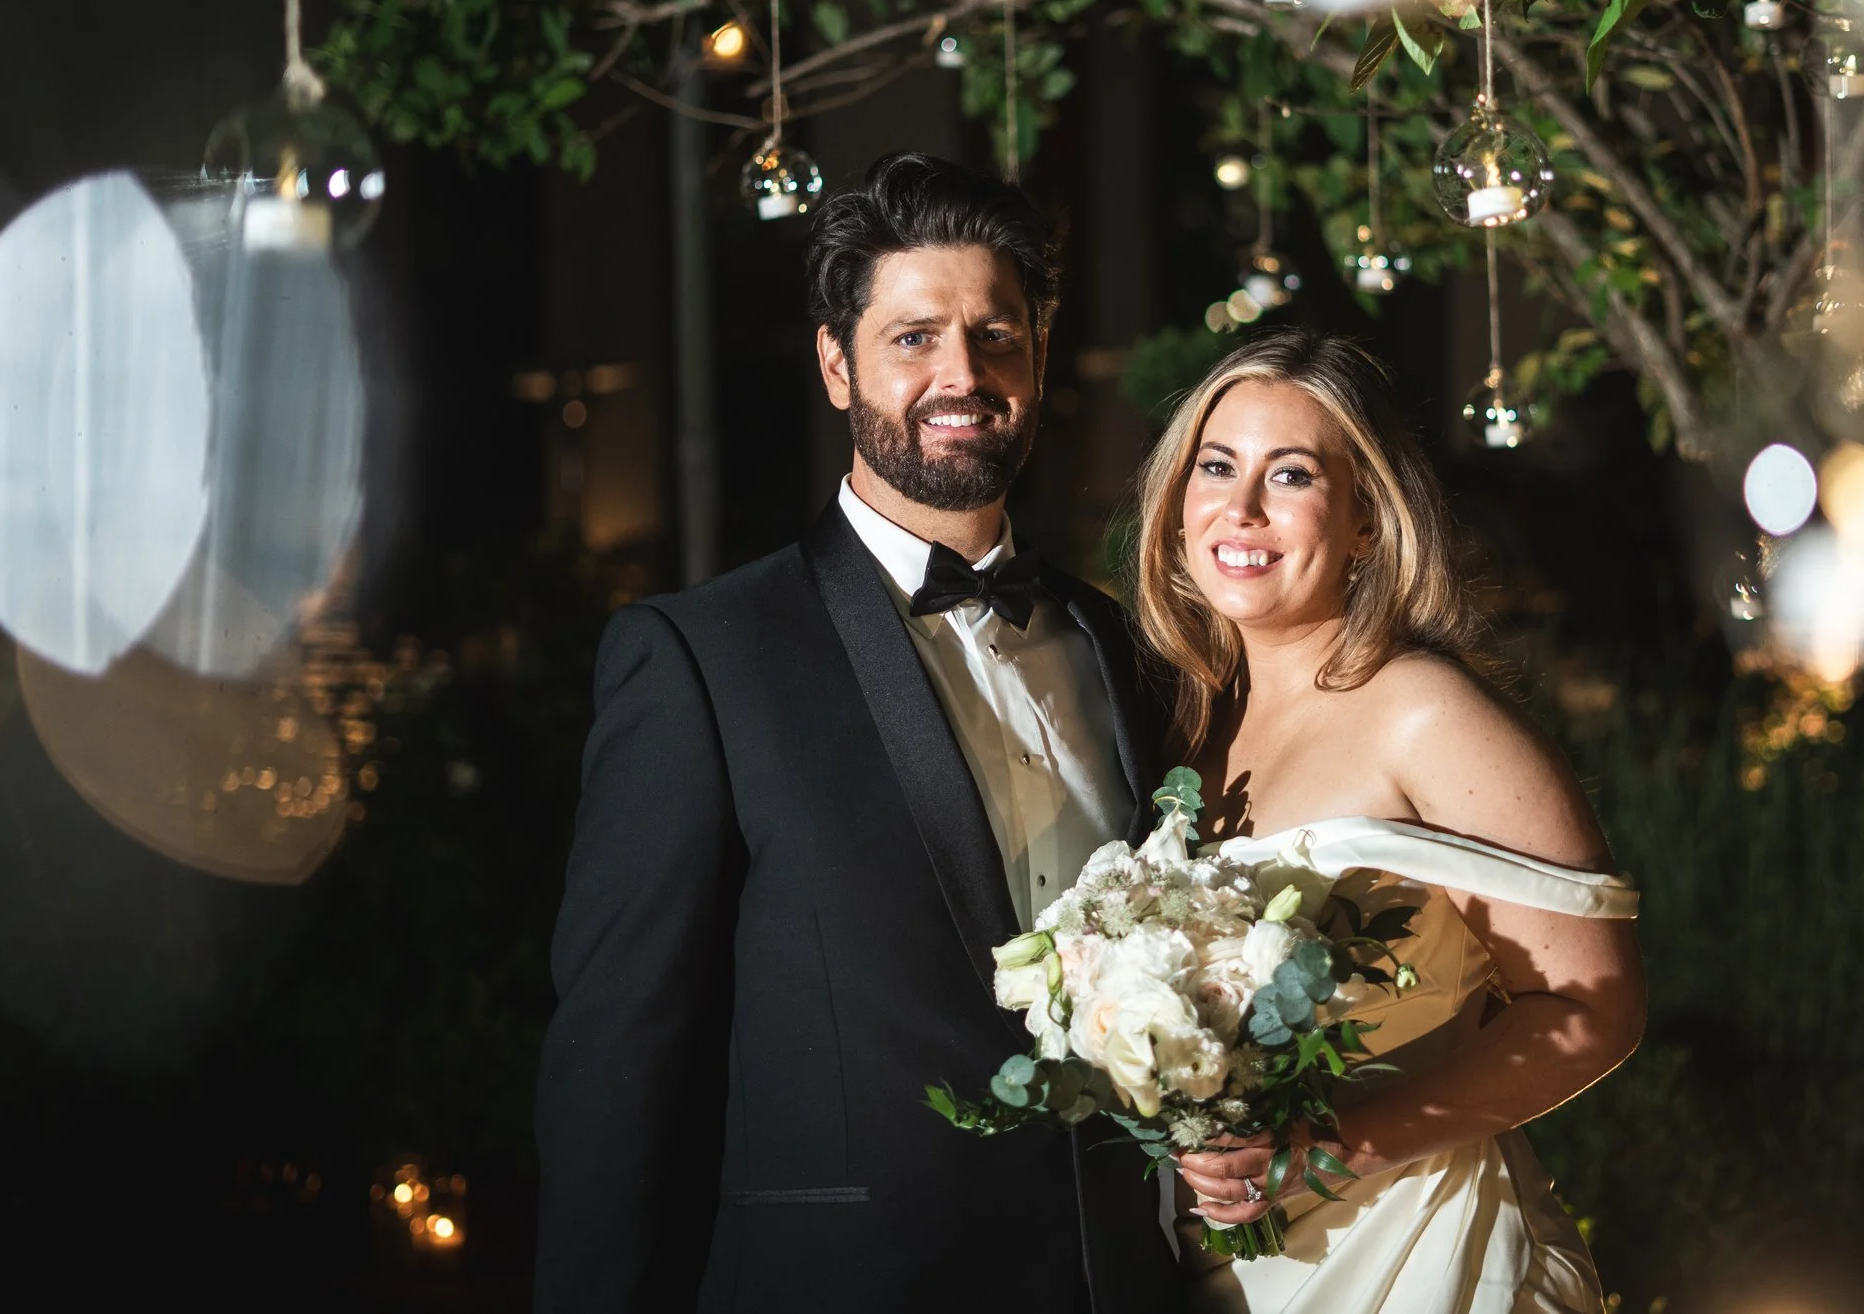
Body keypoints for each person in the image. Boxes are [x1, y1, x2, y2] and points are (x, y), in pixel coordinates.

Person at [534, 153, 1182, 1314]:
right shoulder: (701, 658)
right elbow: (618, 1067)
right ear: (837, 365)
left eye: (996, 335)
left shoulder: (1119, 645)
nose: (961, 373)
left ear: (1036, 357)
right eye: (913, 337)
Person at [1137, 329, 1647, 1314]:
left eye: (1289, 474)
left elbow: (1593, 1008)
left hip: (1420, 1253)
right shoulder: (1183, 726)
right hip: (1229, 1267)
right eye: (1216, 465)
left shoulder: (1425, 712)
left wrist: (1332, 1148)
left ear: (1367, 517)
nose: (1239, 508)